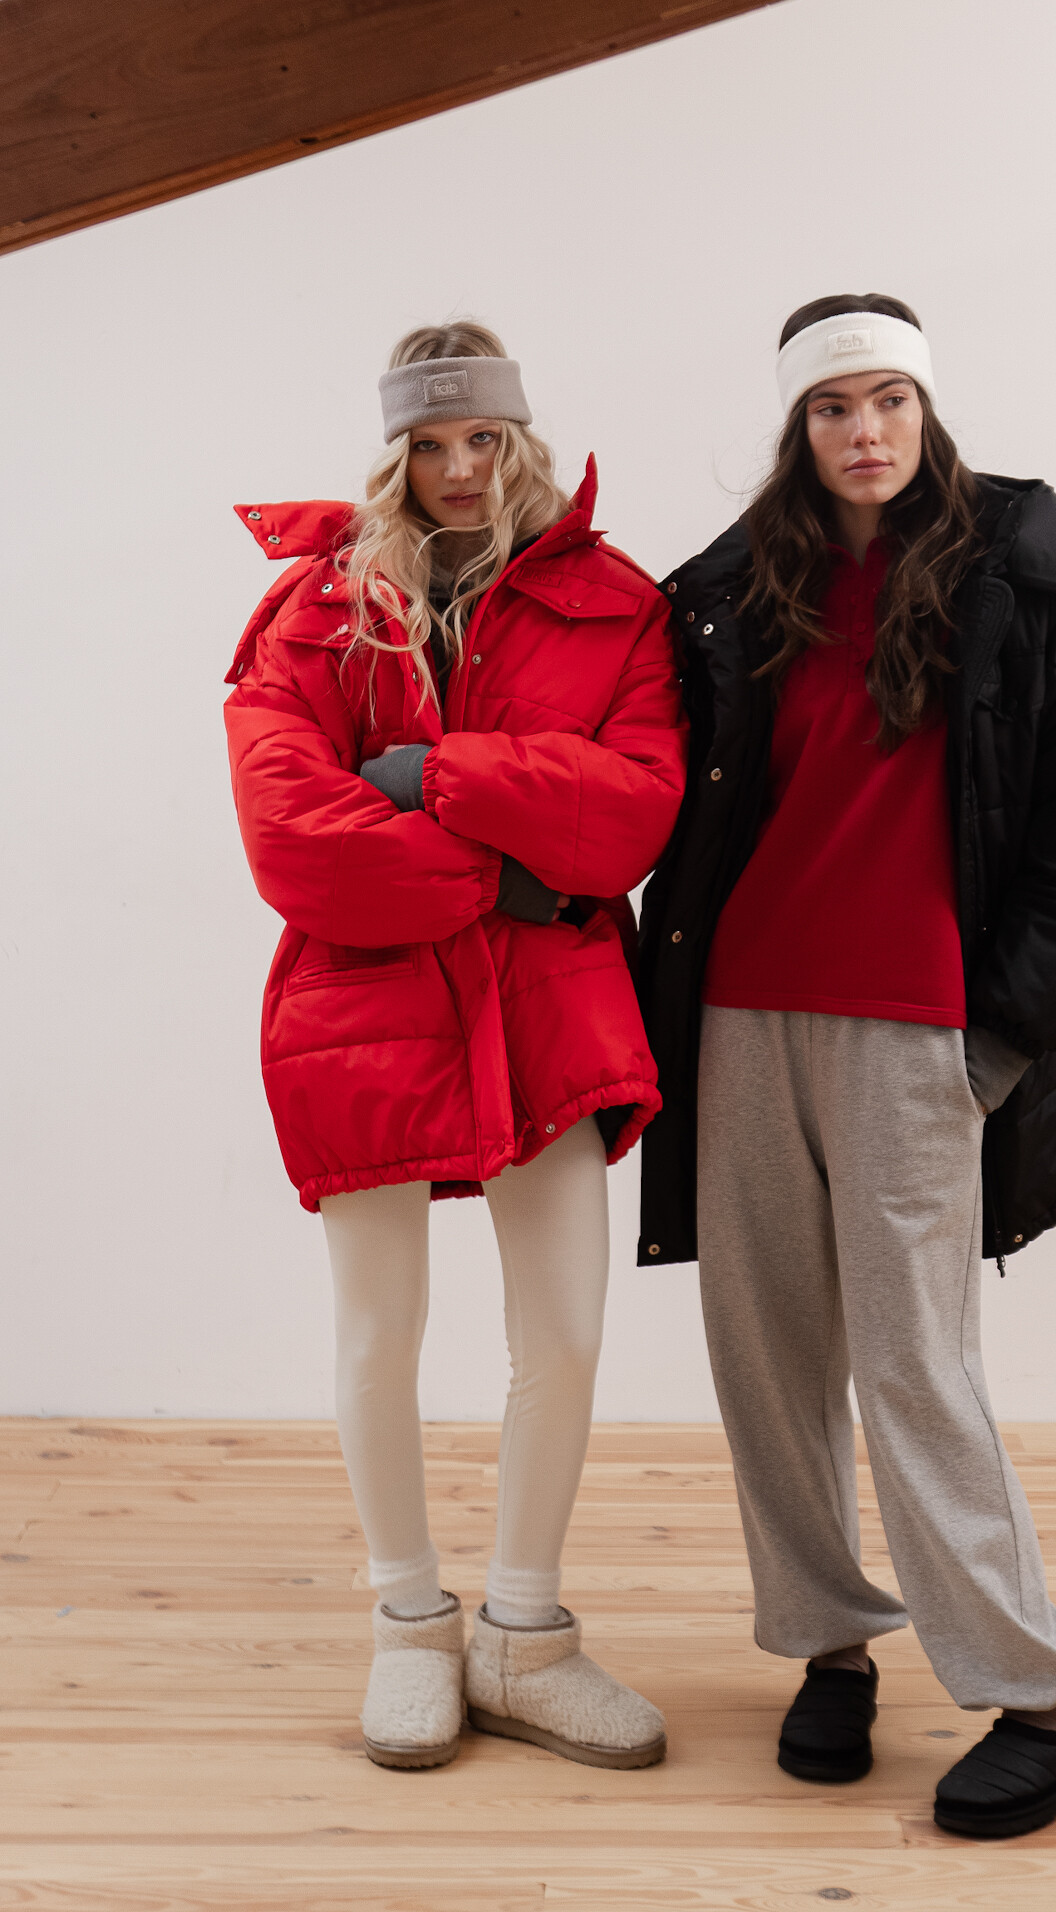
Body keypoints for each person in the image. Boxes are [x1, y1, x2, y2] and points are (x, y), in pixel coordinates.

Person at [638, 293, 1056, 1838]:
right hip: (741, 1015)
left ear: (926, 413)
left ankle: (1038, 1703)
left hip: (916, 1028)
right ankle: (828, 1646)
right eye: (830, 407)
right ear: (794, 429)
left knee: (911, 1367)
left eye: (887, 401)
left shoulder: (1037, 585)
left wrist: (997, 1034)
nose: (862, 431)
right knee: (766, 1356)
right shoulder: (732, 592)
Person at [225, 321, 686, 1773]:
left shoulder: (614, 605)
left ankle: (524, 1636)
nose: (461, 469)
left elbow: (632, 813)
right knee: (381, 1327)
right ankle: (410, 1624)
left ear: (519, 437)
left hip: (551, 1011)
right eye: (429, 444)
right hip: (366, 1011)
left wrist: (438, 775)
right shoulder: (317, 611)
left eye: (482, 438)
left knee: (564, 1327)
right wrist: (508, 869)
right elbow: (294, 834)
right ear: (394, 454)